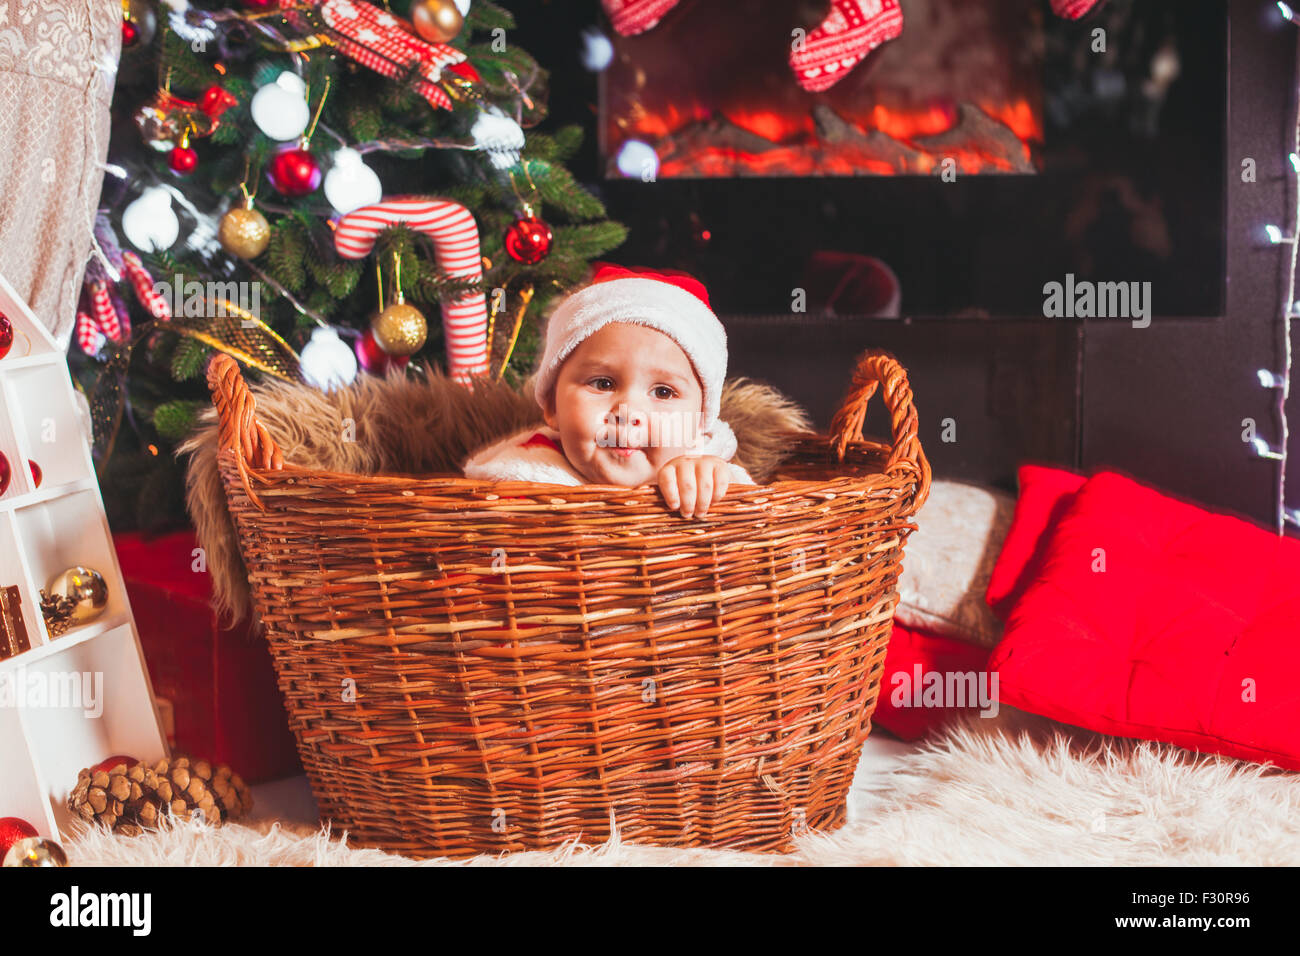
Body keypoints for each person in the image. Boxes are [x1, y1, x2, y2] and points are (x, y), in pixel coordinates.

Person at [462, 263, 754, 518]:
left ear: (699, 425)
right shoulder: (522, 479)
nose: (627, 413)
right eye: (603, 384)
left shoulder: (706, 468)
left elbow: (748, 533)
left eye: (663, 392)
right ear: (552, 405)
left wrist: (709, 484)